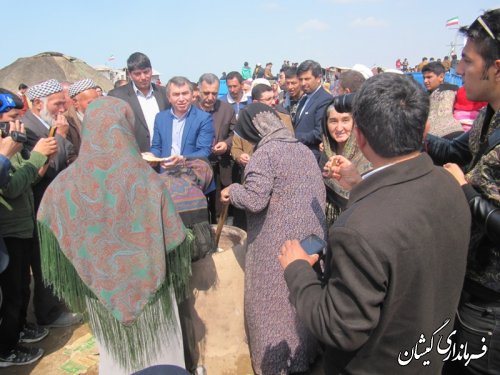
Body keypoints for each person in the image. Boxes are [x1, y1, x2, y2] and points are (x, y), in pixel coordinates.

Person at [279, 73, 471, 374]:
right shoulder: (453, 185)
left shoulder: (355, 231)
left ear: (360, 137)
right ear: (427, 130)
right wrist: (360, 184)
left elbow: (339, 327)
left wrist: (298, 270)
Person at [36, 96, 193, 374]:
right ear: (126, 127)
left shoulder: (62, 186)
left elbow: (50, 223)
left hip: (100, 293)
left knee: (115, 356)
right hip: (153, 293)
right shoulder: (147, 180)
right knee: (161, 354)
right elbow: (175, 240)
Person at [221, 103, 326, 374]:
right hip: (310, 239)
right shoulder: (302, 149)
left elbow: (254, 200)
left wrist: (232, 190)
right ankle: (305, 355)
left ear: (249, 130)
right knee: (299, 301)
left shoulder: (265, 153)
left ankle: (277, 365)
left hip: (277, 244)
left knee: (271, 306)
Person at [425, 9, 500, 374]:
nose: (460, 68)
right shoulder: (491, 115)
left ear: (496, 68)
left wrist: (466, 192)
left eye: (468, 61)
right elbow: (459, 151)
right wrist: (418, 138)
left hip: (492, 307)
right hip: (468, 286)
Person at [0, 89, 57, 368]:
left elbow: (28, 177)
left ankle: (19, 329)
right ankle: (6, 348)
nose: (17, 124)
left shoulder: (10, 144)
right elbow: (10, 187)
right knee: (11, 294)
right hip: (9, 231)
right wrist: (35, 157)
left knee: (23, 288)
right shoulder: (3, 150)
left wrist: (38, 160)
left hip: (22, 226)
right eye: (12, 118)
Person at [22, 79, 80, 328]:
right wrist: (63, 137)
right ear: (37, 104)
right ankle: (48, 313)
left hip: (52, 204)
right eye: (57, 104)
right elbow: (45, 171)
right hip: (37, 205)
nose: (61, 110)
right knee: (43, 260)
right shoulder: (29, 130)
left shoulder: (45, 125)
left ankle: (55, 305)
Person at [319, 97, 371, 226]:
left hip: (358, 223)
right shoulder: (327, 151)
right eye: (333, 121)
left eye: (346, 120)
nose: (339, 128)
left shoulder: (367, 153)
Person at [108, 52, 169, 152]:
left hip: (163, 158)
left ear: (151, 70)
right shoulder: (117, 96)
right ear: (129, 74)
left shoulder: (164, 93)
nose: (143, 77)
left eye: (146, 72)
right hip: (134, 158)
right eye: (137, 74)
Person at [149, 76, 214, 170]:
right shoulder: (160, 118)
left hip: (193, 175)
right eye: (176, 94)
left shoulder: (204, 118)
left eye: (185, 93)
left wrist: (182, 159)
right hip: (165, 175)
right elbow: (157, 147)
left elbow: (204, 151)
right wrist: (151, 155)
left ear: (192, 95)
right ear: (169, 98)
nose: (181, 98)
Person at [196, 73, 236, 223]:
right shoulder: (190, 109)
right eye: (206, 93)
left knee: (219, 210)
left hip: (220, 167)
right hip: (197, 167)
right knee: (200, 211)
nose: (210, 97)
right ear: (198, 90)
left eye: (214, 93)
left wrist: (226, 144)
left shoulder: (227, 109)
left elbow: (235, 134)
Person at [294, 60, 332, 160]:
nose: (303, 83)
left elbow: (319, 133)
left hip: (311, 157)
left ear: (318, 78)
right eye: (300, 79)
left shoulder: (325, 99)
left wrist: (293, 137)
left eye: (307, 79)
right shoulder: (304, 99)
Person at [422, 61, 464, 138]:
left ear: (441, 77)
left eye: (429, 77)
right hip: (433, 137)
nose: (425, 81)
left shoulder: (452, 90)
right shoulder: (425, 95)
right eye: (424, 77)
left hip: (450, 136)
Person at [65, 78, 100, 156]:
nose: (96, 105)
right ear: (75, 103)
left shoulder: (103, 116)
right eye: (90, 102)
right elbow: (69, 156)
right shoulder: (66, 123)